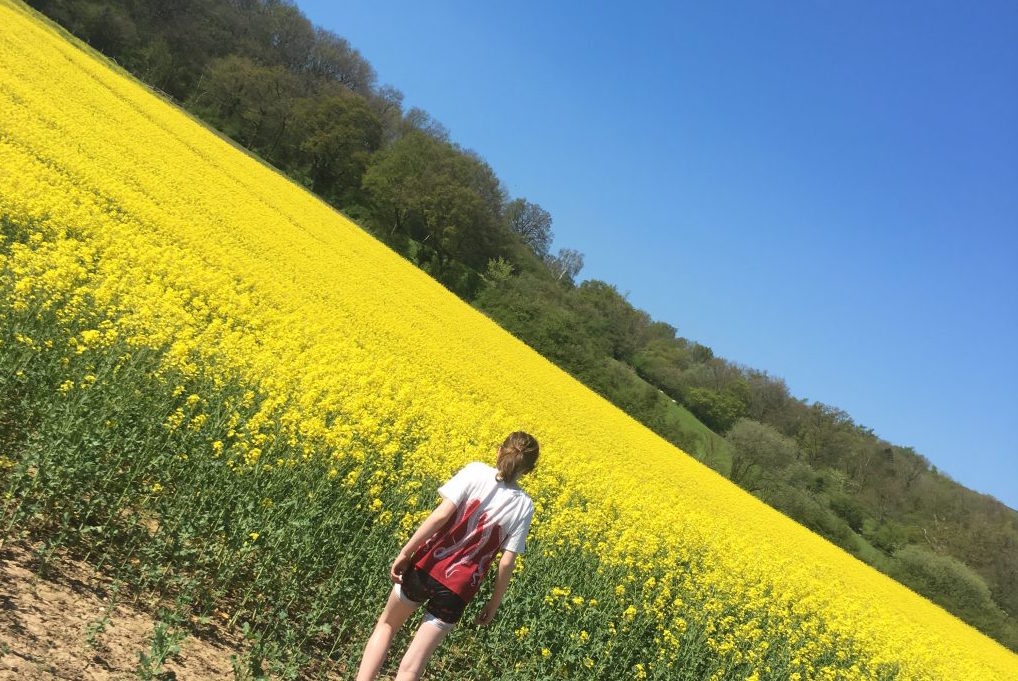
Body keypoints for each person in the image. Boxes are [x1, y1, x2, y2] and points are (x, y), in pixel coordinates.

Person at [355, 431, 540, 681]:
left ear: (499, 450)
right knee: (412, 666)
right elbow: (506, 562)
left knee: (387, 625)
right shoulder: (524, 505)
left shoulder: (475, 471)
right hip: (457, 589)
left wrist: (405, 551)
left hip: (426, 566)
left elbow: (441, 516)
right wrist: (493, 604)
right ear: (529, 470)